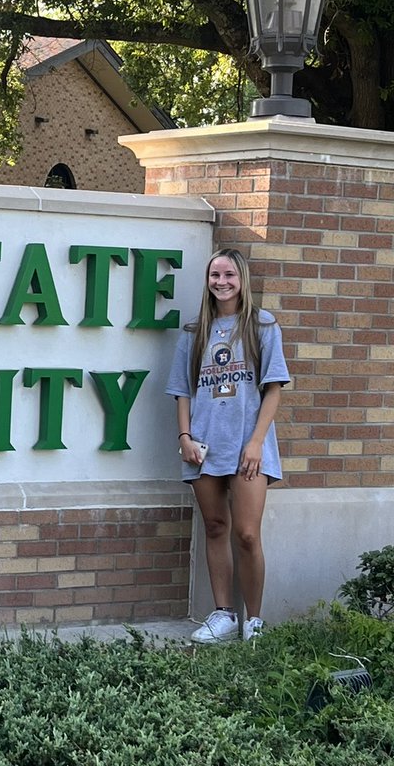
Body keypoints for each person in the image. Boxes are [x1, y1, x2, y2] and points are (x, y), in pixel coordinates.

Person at [165, 248, 290, 643]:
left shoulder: (262, 326)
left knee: (248, 534)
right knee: (216, 527)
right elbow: (182, 391)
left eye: (229, 275)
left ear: (242, 280)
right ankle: (224, 616)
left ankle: (255, 621)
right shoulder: (194, 332)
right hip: (204, 445)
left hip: (248, 446)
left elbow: (273, 390)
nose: (221, 282)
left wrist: (256, 443)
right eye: (215, 275)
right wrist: (185, 437)